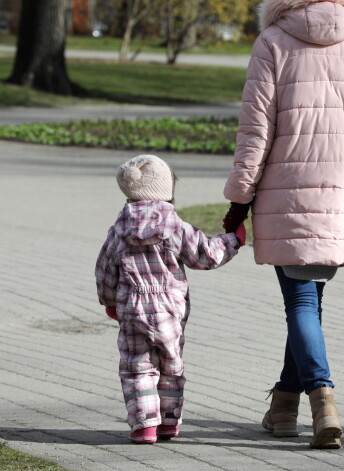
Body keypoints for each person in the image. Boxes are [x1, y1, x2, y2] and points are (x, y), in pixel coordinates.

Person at [221, 0, 344, 449]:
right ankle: (283, 407)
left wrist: (239, 201)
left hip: (287, 192)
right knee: (309, 302)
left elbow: (255, 130)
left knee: (300, 302)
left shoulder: (272, 41)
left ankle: (323, 399)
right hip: (341, 193)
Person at [96, 154, 245, 444]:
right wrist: (233, 240)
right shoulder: (175, 226)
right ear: (166, 189)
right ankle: (168, 423)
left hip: (132, 308)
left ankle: (144, 425)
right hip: (170, 310)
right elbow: (206, 255)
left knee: (136, 366)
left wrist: (109, 301)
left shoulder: (118, 231)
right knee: (171, 365)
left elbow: (104, 269)